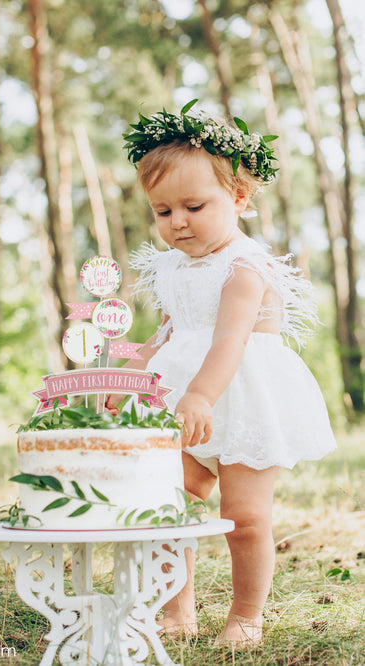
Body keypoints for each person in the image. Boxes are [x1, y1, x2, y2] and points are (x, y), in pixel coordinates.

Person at [105, 101, 337, 647]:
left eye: (192, 205)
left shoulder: (244, 266)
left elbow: (231, 339)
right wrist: (129, 378)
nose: (177, 222)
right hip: (182, 397)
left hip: (241, 395)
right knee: (170, 501)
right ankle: (176, 611)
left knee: (245, 515)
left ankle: (245, 617)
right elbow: (165, 332)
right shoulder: (172, 267)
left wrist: (200, 395)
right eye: (162, 212)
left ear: (238, 198)